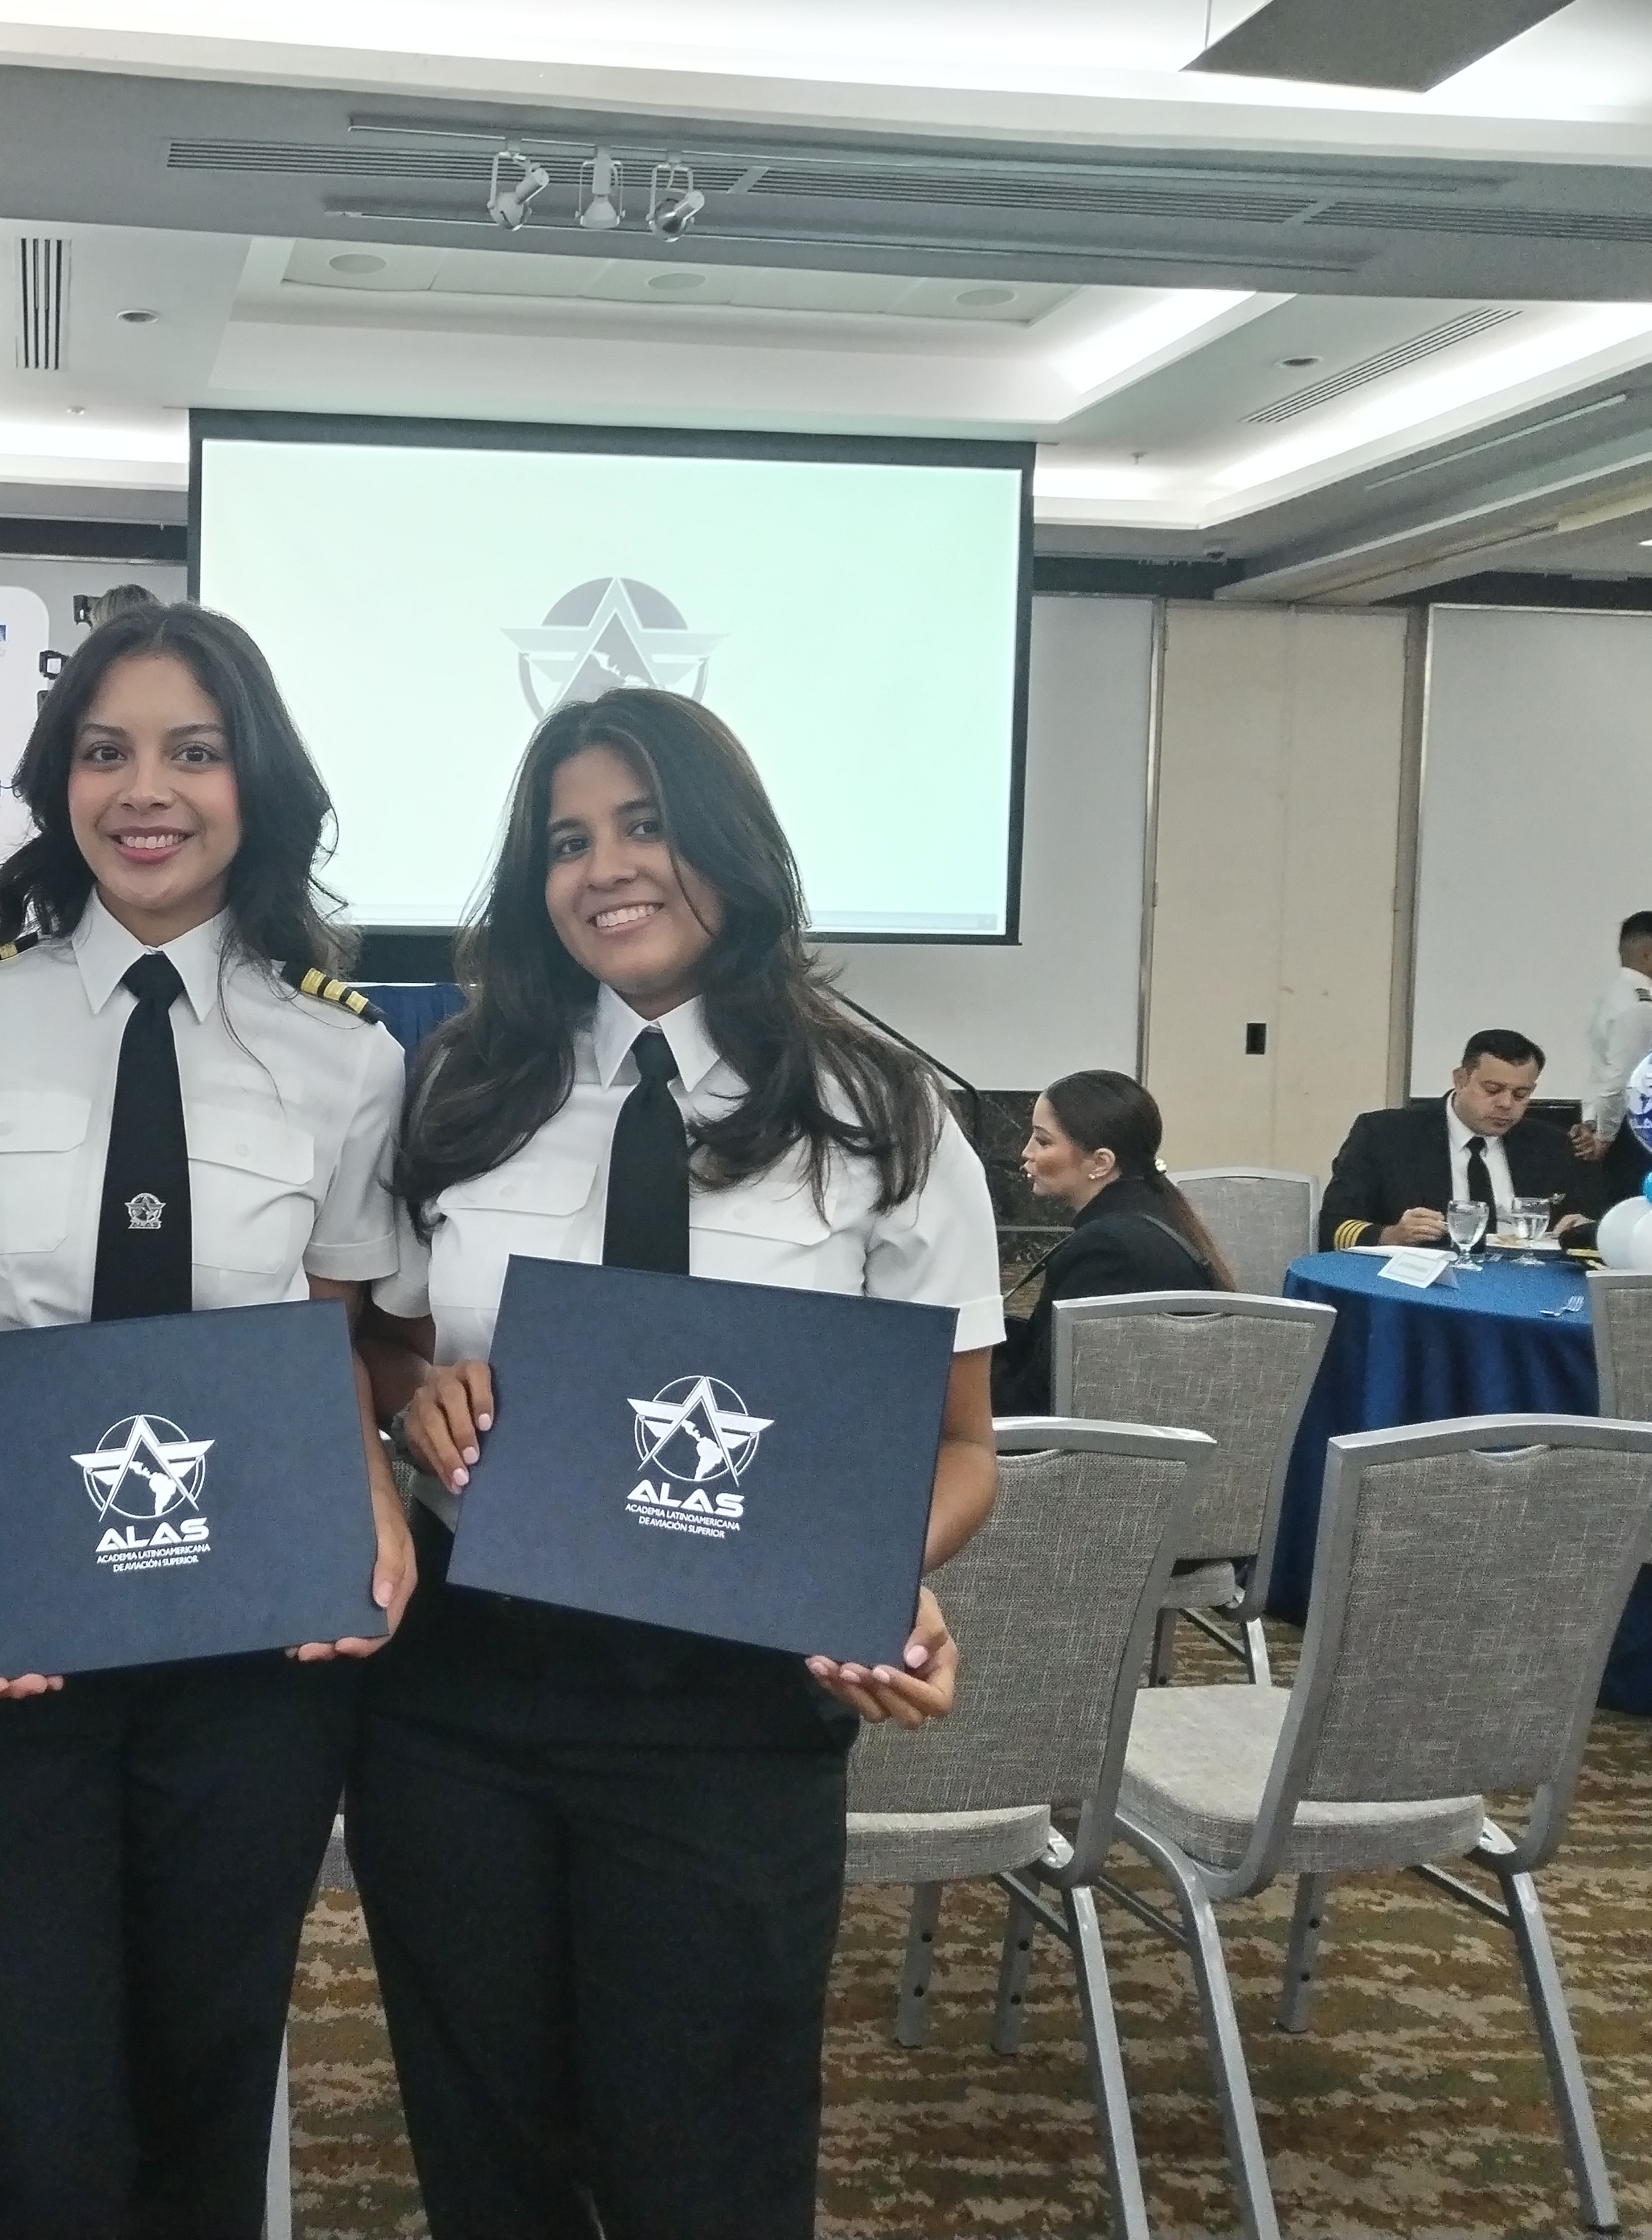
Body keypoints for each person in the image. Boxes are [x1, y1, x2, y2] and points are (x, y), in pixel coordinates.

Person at [349, 686, 998, 2240]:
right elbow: (372, 1348)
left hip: (728, 1703)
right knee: (484, 2132)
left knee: (704, 2144)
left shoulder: (883, 1113)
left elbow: (961, 1439)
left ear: (729, 846)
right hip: (462, 1691)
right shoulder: (457, 1088)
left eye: (642, 824)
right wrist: (415, 1396)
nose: (605, 867)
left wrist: (875, 1583)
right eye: (567, 838)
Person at [0, 599, 413, 2239]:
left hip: (248, 1640)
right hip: (5, 1609)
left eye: (191, 749)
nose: (142, 789)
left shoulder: (343, 1057)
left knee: (208, 2053)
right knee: (16, 2074)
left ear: (257, 783)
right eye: (103, 751)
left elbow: (333, 1330)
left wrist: (358, 1488)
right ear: (55, 782)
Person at [990, 1070, 1229, 1415]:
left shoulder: (1109, 1252)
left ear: (1101, 1163)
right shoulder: (1148, 1212)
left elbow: (1045, 1400)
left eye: (1043, 1142)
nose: (1026, 1152)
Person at [1321, 1030, 1588, 1253]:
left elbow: (1589, 1220)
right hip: (1423, 1293)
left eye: (1521, 1094)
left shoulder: (1551, 1145)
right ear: (1461, 1080)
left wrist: (1585, 1229)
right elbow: (1334, 1227)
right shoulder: (1385, 1135)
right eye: (1493, 1090)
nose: (1506, 1104)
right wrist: (1393, 1235)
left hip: (1523, 1289)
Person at [1577, 910, 1652, 1208]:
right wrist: (1605, 1138)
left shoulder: (1618, 995)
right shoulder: (1639, 1008)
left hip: (1616, 1125)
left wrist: (1591, 1121)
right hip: (1631, 1133)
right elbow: (1622, 1080)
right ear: (1649, 954)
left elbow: (1599, 1070)